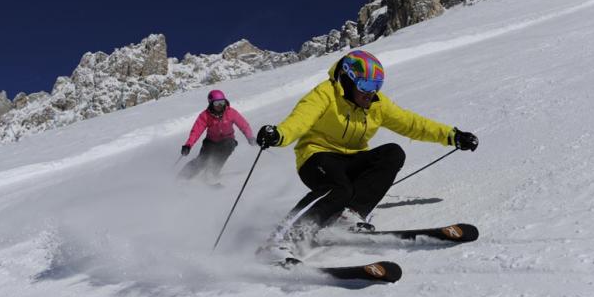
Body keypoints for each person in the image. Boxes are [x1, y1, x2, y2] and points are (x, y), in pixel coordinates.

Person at [255, 50, 478, 261]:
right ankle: (279, 240)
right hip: (317, 157)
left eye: (377, 85)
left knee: (392, 153)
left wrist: (452, 135)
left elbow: (413, 124)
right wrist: (279, 135)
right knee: (339, 188)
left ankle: (349, 216)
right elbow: (300, 119)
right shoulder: (325, 94)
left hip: (351, 159)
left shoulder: (376, 105)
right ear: (348, 80)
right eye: (366, 84)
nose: (371, 91)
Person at [179, 89, 256, 182]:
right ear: (211, 103)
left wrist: (250, 137)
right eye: (216, 103)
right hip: (210, 142)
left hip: (227, 140)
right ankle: (183, 176)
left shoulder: (231, 112)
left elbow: (243, 125)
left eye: (222, 102)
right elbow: (196, 131)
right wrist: (188, 145)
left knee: (228, 145)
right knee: (202, 160)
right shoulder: (205, 116)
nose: (220, 106)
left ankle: (211, 173)